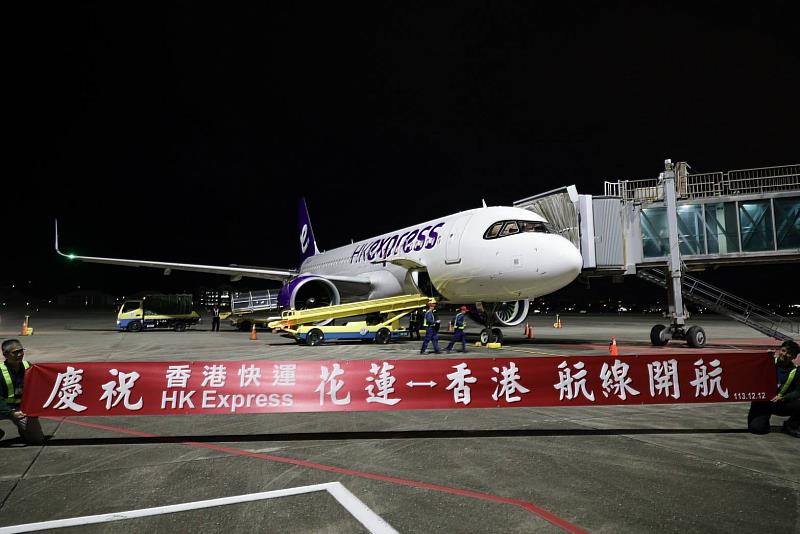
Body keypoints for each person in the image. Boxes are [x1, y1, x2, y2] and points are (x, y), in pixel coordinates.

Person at [747, 339, 799, 437]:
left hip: (780, 403)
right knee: (757, 429)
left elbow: (798, 391)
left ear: (794, 356)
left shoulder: (796, 371)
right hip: (763, 402)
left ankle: (791, 425)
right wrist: (762, 358)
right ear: (779, 350)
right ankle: (762, 419)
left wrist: (785, 397)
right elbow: (751, 372)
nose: (784, 354)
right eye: (783, 351)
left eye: (789, 353)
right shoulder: (768, 363)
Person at [1, 339, 45, 445]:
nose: (19, 354)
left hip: (22, 408)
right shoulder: (0, 371)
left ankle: (24, 430)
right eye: (15, 352)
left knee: (37, 439)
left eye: (21, 351)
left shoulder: (28, 366)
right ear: (5, 354)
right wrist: (10, 413)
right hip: (3, 407)